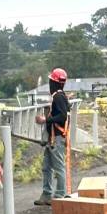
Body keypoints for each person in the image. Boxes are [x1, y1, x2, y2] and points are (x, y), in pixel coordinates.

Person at [34, 68, 70, 205]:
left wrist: (45, 120)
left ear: (53, 82)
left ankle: (60, 194)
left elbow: (62, 116)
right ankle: (47, 194)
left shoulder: (59, 97)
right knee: (46, 166)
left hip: (57, 138)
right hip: (53, 138)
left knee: (58, 166)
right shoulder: (59, 96)